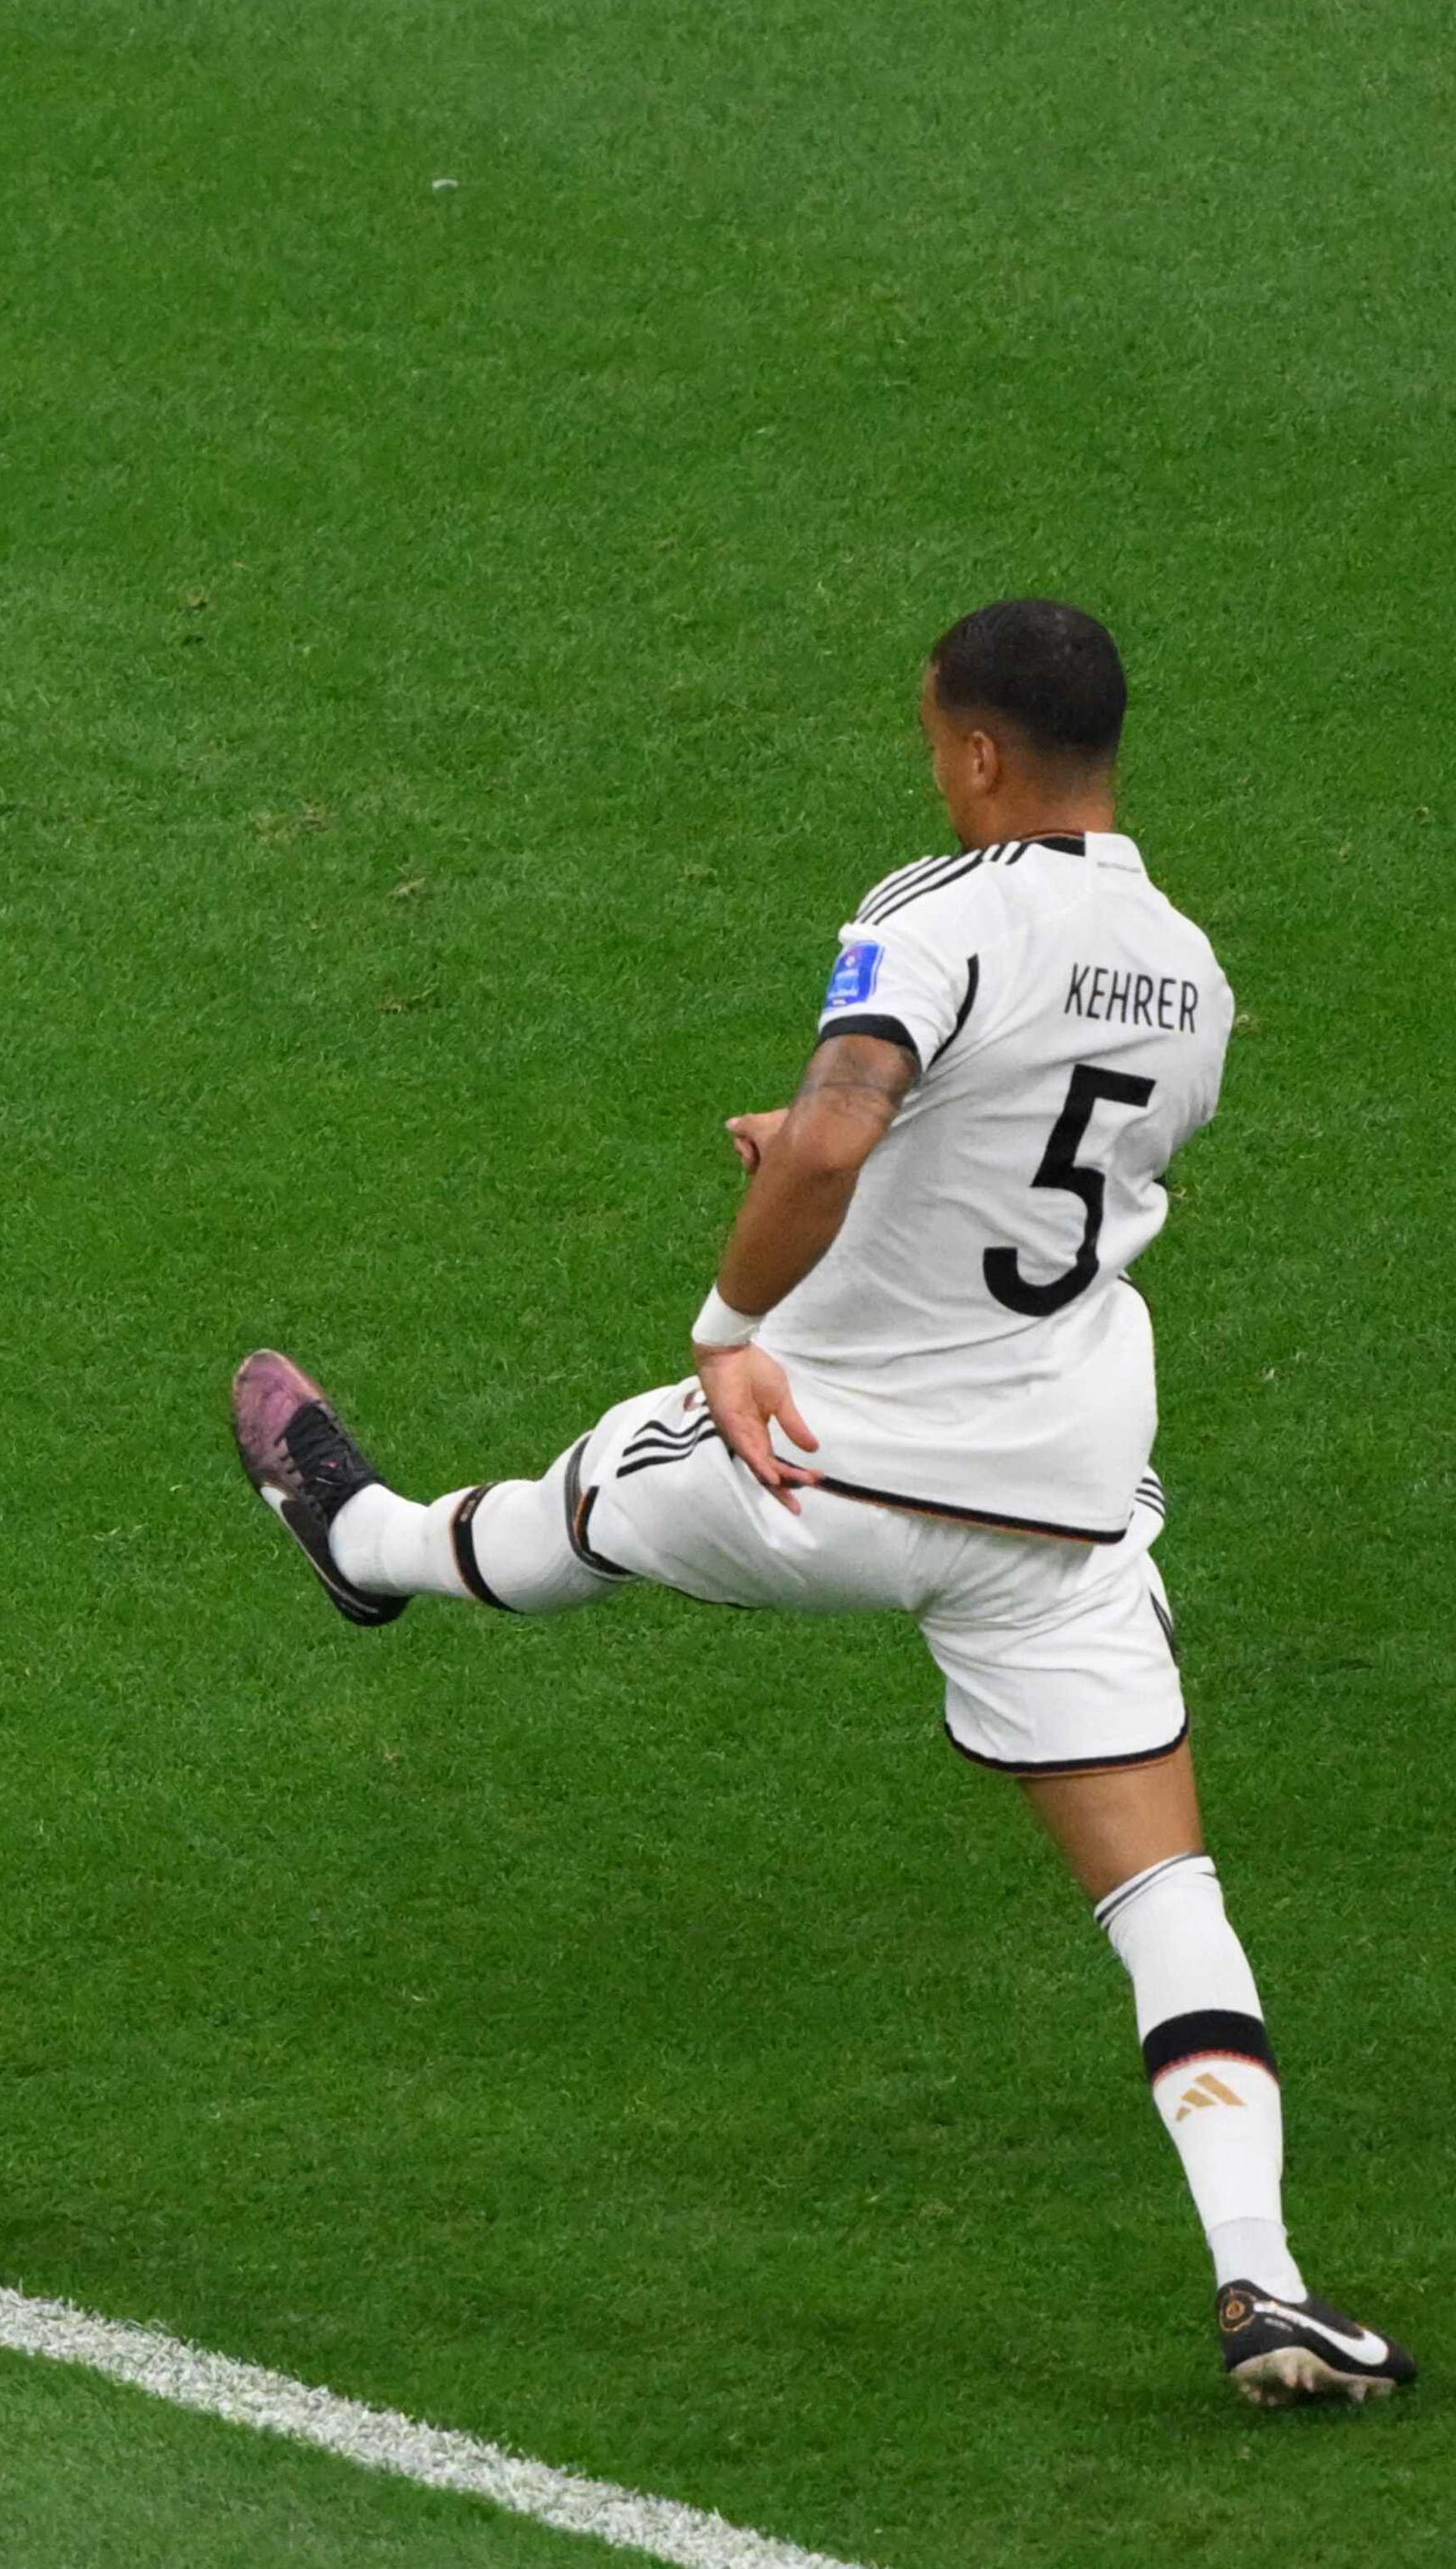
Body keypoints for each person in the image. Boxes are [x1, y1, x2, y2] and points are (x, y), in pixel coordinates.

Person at [228, 598, 1412, 2408]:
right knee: (1168, 1897)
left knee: (592, 1496)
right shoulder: (1189, 975)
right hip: (1061, 1513)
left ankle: (362, 1542)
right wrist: (816, 1156)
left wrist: (731, 1320)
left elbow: (858, 1127)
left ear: (977, 751)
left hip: (826, 1465)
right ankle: (1263, 2281)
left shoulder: (934, 911)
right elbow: (1015, 1178)